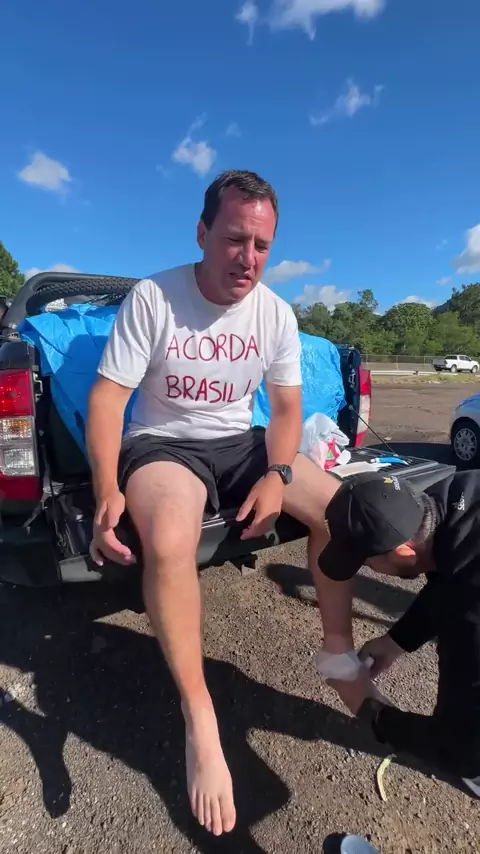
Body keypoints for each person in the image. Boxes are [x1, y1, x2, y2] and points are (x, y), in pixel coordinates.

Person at [85, 169, 340, 837]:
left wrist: (279, 473)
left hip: (241, 443)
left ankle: (339, 656)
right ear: (201, 233)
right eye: (234, 239)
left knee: (347, 513)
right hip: (163, 445)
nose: (248, 258)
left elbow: (286, 411)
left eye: (262, 245)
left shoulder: (276, 313)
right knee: (171, 540)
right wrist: (107, 489)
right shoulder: (154, 298)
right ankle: (200, 717)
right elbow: (108, 399)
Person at [316, 469, 480, 797]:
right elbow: (449, 574)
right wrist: (396, 641)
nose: (365, 570)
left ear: (404, 551)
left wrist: (371, 711)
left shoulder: (469, 613)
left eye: (366, 563)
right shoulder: (451, 497)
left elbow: (459, 749)